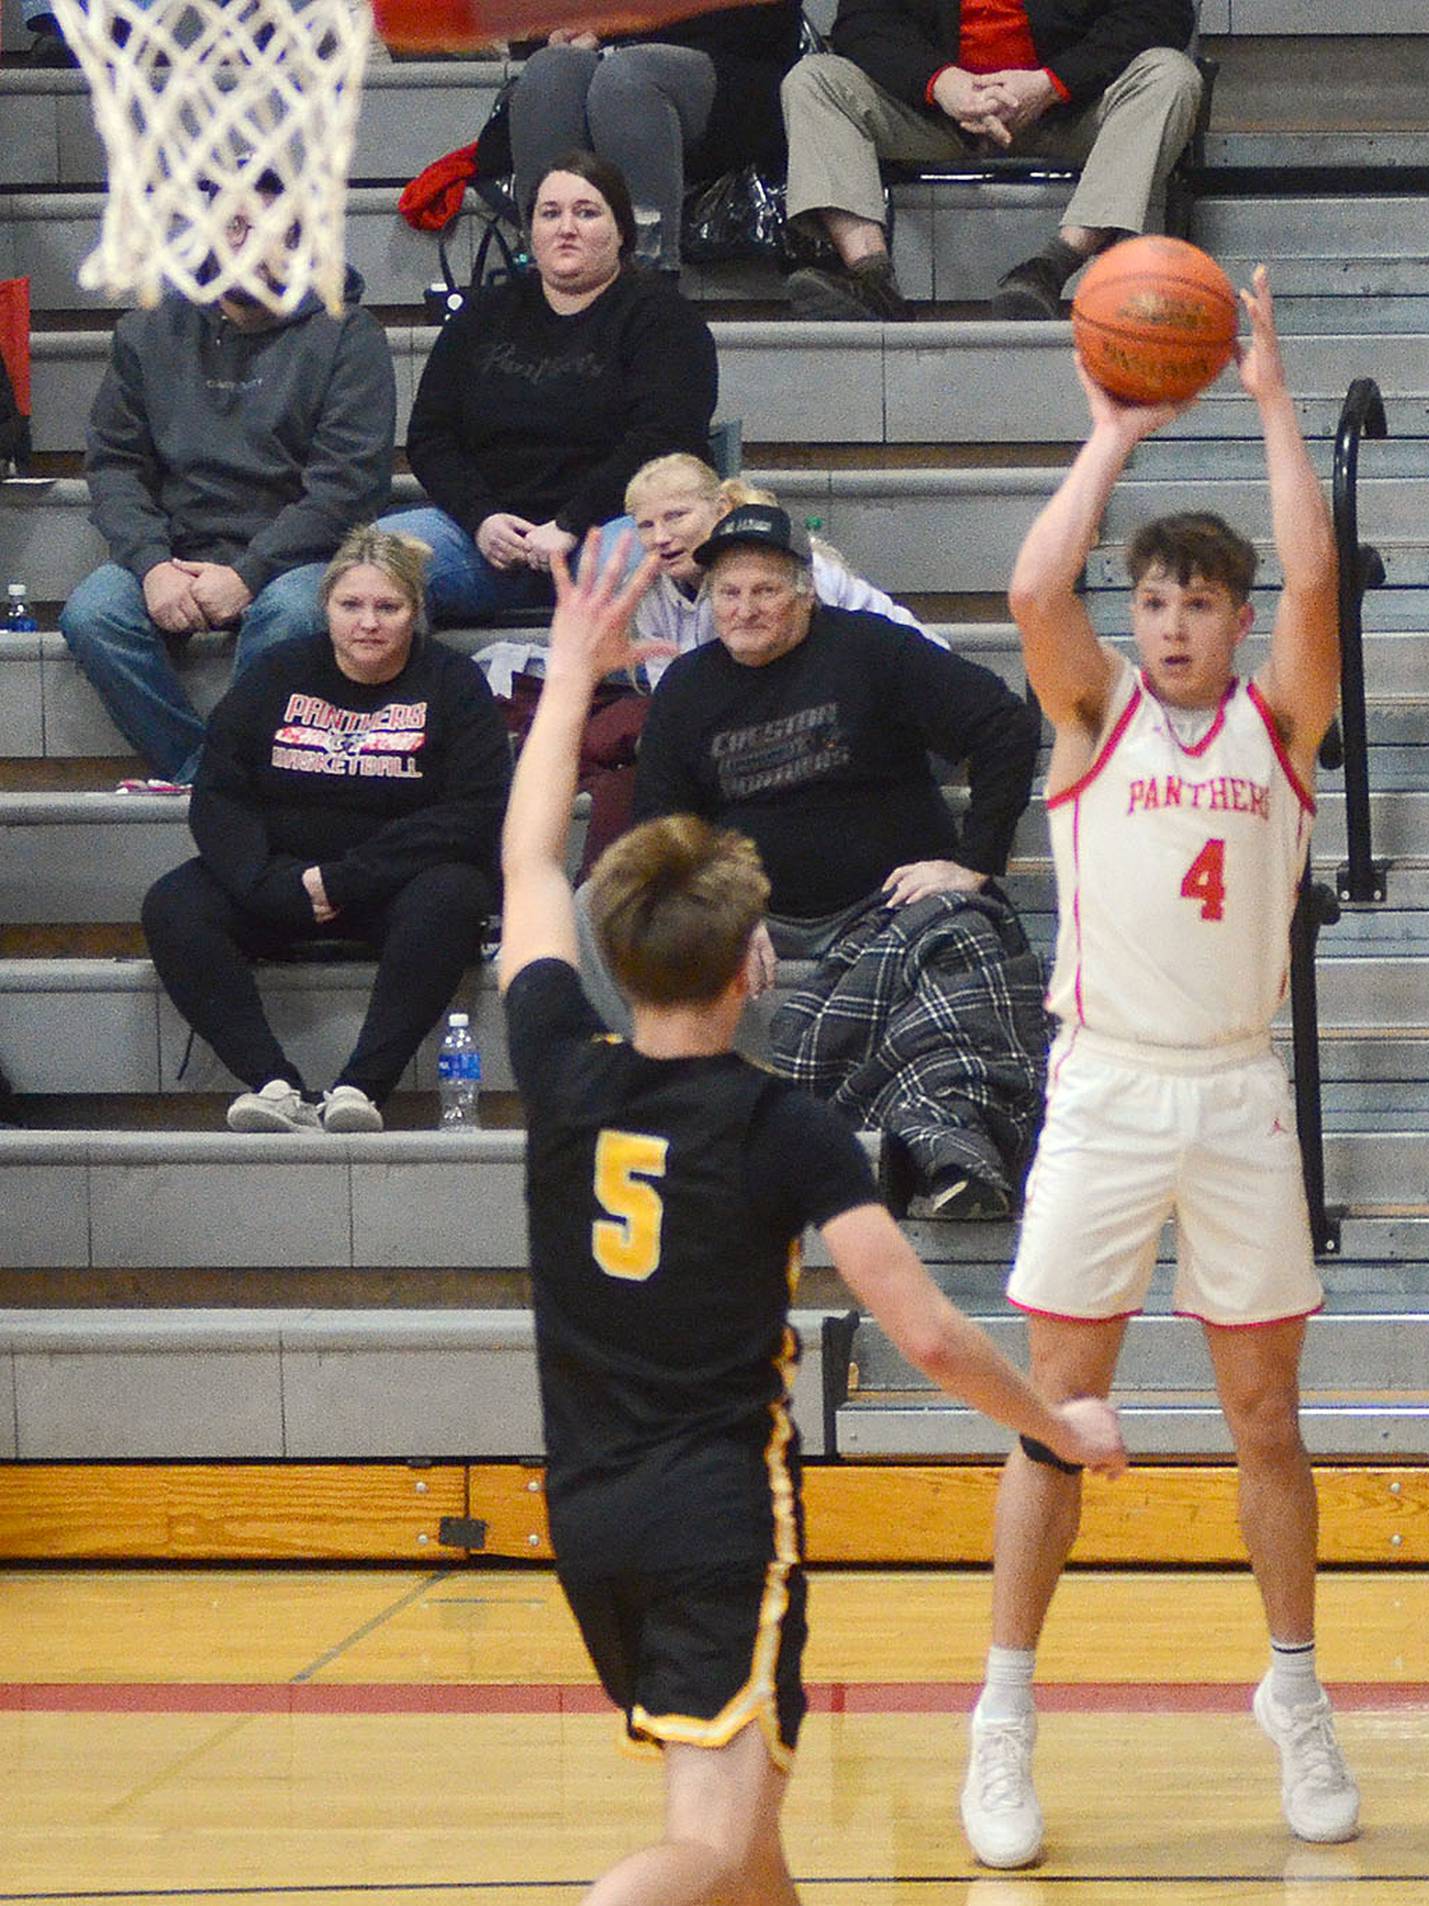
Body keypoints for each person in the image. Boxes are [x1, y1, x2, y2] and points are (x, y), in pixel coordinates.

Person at [498, 526, 1127, 1906]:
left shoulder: (556, 1063)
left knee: (755, 1852)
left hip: (585, 1509)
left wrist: (566, 681)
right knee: (702, 1852)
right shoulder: (785, 1125)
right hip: (719, 1514)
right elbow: (935, 1335)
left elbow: (530, 862)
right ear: (754, 962)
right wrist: (1059, 1425)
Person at [959, 269, 1360, 1869]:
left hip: (1239, 1092)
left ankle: (1297, 1690)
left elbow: (1322, 587)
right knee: (1061, 1411)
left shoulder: (1283, 720)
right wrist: (1110, 436)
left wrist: (1269, 401)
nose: (1179, 624)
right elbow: (1027, 587)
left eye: (1207, 602)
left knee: (1266, 1418)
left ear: (1239, 618)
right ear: (1140, 617)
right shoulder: (1091, 716)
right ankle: (1002, 1716)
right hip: (1108, 1085)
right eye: (1161, 603)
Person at [620, 502, 1047, 1218]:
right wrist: (720, 910)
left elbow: (1004, 724)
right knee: (600, 913)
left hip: (890, 910)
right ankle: (932, 1144)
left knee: (964, 924)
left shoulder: (873, 649)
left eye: (765, 591)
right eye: (729, 593)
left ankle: (936, 1151)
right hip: (763, 919)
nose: (745, 610)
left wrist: (976, 863)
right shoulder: (687, 689)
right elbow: (661, 830)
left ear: (805, 593)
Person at [141, 525, 511, 1135]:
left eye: (388, 607)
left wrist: (345, 880)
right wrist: (266, 883)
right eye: (351, 605)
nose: (368, 622)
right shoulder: (276, 671)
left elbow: (471, 812)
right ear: (326, 608)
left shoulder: (452, 682)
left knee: (454, 894)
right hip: (281, 881)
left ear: (415, 613)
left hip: (395, 885)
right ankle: (274, 1086)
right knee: (174, 906)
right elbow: (219, 795)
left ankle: (360, 1091)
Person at [59, 174, 395, 793]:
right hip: (179, 549)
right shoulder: (147, 332)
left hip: (296, 557)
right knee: (93, 613)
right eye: (233, 227)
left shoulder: (349, 336)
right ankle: (209, 775)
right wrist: (154, 564)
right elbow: (115, 466)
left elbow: (348, 485)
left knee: (293, 614)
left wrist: (249, 574)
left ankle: (233, 776)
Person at [482, 453, 945, 876]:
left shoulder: (785, 567)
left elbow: (813, 693)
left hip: (901, 720)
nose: (660, 537)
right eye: (645, 525)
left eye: (675, 516)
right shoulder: (653, 593)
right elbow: (681, 711)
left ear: (721, 509)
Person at [382, 151, 718, 629]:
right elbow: (431, 436)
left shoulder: (664, 319)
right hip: (488, 537)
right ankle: (414, 703)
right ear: (530, 231)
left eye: (586, 212)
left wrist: (569, 524)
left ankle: (625, 703)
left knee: (626, 569)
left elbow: (663, 439)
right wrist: (481, 518)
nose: (566, 228)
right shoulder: (482, 315)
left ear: (621, 231)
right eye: (550, 213)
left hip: (607, 526)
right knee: (373, 565)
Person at [780, 0, 1202, 322]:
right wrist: (941, 83)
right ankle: (871, 279)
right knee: (814, 80)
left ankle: (1050, 269)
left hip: (1072, 108)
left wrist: (1051, 84)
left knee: (1171, 76)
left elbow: (1159, 11)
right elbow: (864, 23)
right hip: (939, 113)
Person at [508, 1, 803, 279]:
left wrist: (619, 26)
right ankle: (548, 280)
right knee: (549, 70)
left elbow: (764, 19)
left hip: (728, 67)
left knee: (626, 79)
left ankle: (648, 282)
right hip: (610, 55)